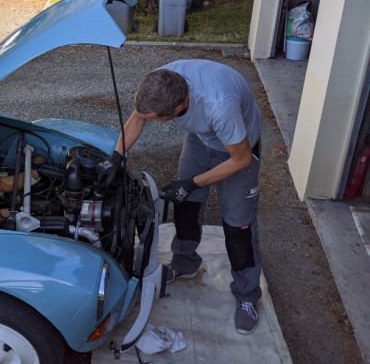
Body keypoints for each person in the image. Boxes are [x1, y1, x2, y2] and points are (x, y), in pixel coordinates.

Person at [96, 59, 262, 334]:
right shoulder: (160, 79)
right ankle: (185, 263)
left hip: (237, 147)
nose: (149, 121)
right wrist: (116, 157)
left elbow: (241, 159)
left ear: (178, 108)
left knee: (238, 224)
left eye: (155, 120)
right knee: (184, 204)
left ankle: (247, 295)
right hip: (201, 138)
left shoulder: (219, 106)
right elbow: (138, 116)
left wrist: (193, 183)